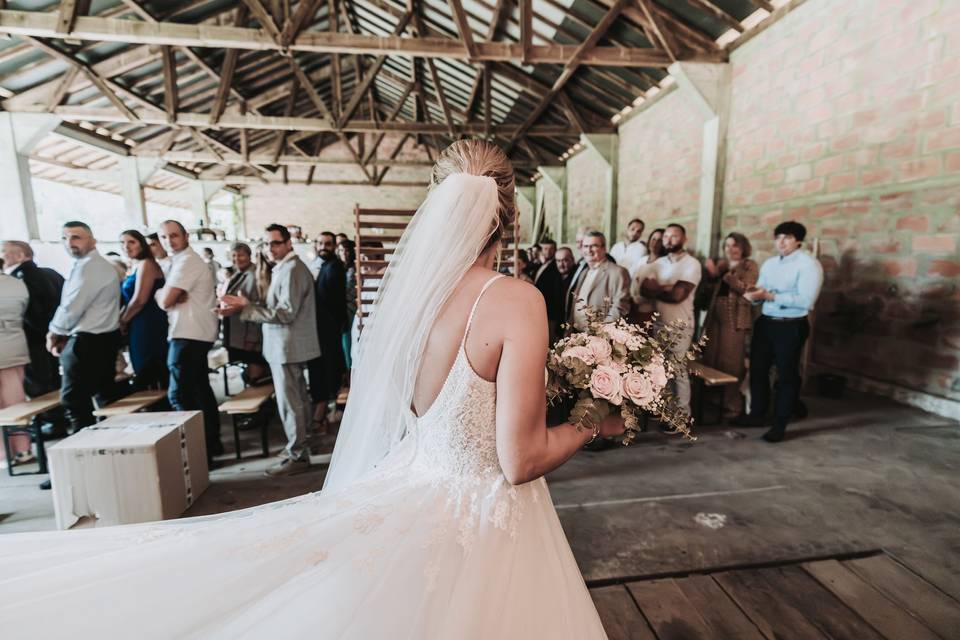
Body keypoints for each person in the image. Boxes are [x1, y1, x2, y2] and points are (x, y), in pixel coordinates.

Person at [0, 139, 616, 639]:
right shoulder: (516, 300)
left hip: (414, 484)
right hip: (484, 519)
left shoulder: (409, 300)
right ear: (509, 218)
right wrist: (595, 419)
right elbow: (519, 460)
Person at [219, 225, 322, 477]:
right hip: (284, 345)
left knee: (291, 402)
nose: (270, 248)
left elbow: (286, 313)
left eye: (275, 243)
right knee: (297, 399)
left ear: (289, 243)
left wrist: (247, 307)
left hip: (288, 345)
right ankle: (300, 447)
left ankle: (297, 455)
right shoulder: (284, 268)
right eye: (266, 244)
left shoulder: (293, 269)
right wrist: (245, 306)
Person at [734, 221, 823, 443]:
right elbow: (761, 289)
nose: (781, 242)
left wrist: (770, 296)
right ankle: (757, 414)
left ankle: (780, 424)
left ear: (799, 241)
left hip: (791, 324)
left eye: (787, 237)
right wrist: (753, 294)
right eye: (778, 237)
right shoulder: (771, 263)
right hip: (767, 321)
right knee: (758, 369)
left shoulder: (809, 265)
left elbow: (806, 300)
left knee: (786, 375)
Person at [155, 220, 223, 464]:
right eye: (163, 237)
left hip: (188, 334)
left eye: (174, 235)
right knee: (199, 391)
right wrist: (169, 294)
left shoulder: (187, 261)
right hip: (191, 333)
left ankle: (196, 454)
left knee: (181, 396)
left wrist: (160, 293)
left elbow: (165, 301)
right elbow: (170, 298)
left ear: (185, 236)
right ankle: (210, 446)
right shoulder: (178, 262)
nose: (169, 241)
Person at [47, 222, 122, 436]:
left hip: (89, 341)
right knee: (101, 395)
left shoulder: (90, 267)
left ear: (93, 240)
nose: (70, 242)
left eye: (76, 237)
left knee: (73, 399)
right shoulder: (95, 265)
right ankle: (102, 440)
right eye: (65, 238)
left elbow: (72, 306)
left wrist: (55, 332)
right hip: (101, 338)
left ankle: (85, 443)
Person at [640, 223, 701, 416]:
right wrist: (667, 287)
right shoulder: (658, 263)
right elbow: (644, 289)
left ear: (684, 239)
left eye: (674, 236)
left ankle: (682, 416)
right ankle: (666, 413)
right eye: (666, 236)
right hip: (659, 324)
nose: (668, 239)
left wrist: (659, 287)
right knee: (659, 372)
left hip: (680, 326)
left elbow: (677, 296)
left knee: (678, 373)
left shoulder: (692, 264)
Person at [702, 233, 759, 419]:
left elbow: (747, 290)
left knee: (732, 361)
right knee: (712, 357)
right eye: (727, 246)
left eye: (734, 246)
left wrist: (724, 275)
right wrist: (711, 277)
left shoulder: (749, 265)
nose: (730, 250)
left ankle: (732, 405)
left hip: (734, 316)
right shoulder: (722, 265)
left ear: (743, 247)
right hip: (715, 314)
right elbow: (709, 294)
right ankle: (714, 400)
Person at [1, 241, 64, 404]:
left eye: (3, 251)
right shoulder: (51, 273)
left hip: (33, 343)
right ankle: (56, 422)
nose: (1, 256)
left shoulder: (19, 280)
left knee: (38, 390)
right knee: (52, 384)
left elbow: (31, 314)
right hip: (53, 338)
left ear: (20, 256)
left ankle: (50, 426)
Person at [118, 230, 169, 391]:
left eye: (131, 242)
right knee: (141, 367)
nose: (126, 246)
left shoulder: (147, 264)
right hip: (137, 323)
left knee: (149, 368)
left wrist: (122, 321)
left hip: (148, 324)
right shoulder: (135, 266)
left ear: (141, 243)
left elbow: (140, 299)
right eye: (123, 243)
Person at [308, 231, 347, 430]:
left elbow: (334, 302)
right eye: (321, 243)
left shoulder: (335, 268)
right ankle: (321, 412)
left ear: (333, 246)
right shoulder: (318, 265)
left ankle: (322, 413)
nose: (324, 247)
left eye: (328, 244)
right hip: (316, 330)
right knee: (319, 372)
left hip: (328, 330)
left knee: (327, 371)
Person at [220, 242, 268, 384]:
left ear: (249, 256)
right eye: (234, 255)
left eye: (241, 255)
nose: (237, 259)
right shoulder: (238, 274)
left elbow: (255, 307)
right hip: (239, 333)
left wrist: (252, 339)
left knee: (256, 377)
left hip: (250, 336)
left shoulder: (254, 275)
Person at [568, 231, 630, 333]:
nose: (589, 250)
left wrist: (600, 333)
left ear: (604, 248)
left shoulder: (617, 272)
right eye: (586, 246)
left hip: (598, 336)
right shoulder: (584, 272)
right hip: (577, 333)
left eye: (594, 246)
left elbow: (620, 308)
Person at [0, 272, 32, 465]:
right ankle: (23, 449)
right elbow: (23, 310)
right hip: (14, 345)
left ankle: (4, 454)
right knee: (16, 400)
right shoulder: (16, 284)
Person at [629, 227, 665, 323]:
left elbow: (655, 290)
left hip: (650, 311)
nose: (655, 243)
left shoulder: (663, 264)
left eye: (660, 240)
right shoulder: (642, 260)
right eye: (653, 239)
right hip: (633, 307)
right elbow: (634, 282)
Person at [534, 239, 564, 344]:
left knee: (549, 341)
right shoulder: (542, 264)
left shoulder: (555, 267)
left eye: (552, 249)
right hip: (542, 310)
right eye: (545, 249)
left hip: (550, 311)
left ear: (555, 250)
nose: (548, 252)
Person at [337, 239, 358, 371]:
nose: (344, 253)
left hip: (351, 309)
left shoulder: (355, 268)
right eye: (341, 250)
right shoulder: (339, 268)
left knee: (349, 341)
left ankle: (350, 369)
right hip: (341, 309)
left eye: (347, 250)